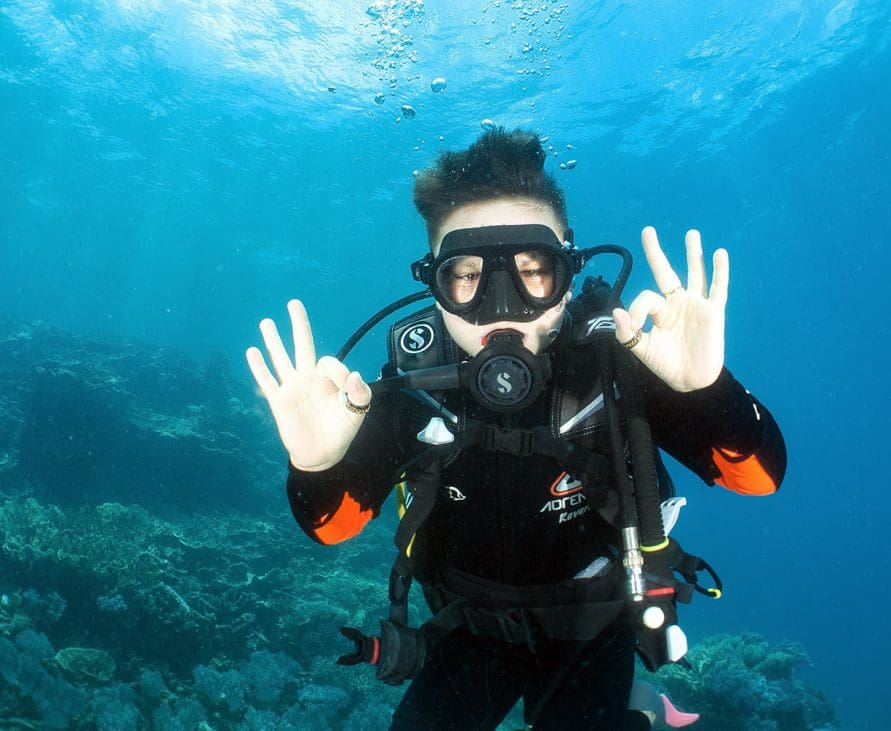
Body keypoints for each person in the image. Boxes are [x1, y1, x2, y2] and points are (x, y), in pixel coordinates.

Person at [246, 128, 786, 730]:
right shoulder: (416, 389)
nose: (501, 306)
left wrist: (709, 393)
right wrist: (315, 466)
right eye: (467, 276)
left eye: (534, 271)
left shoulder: (619, 363)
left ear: (569, 274)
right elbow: (331, 528)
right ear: (433, 284)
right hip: (467, 632)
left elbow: (758, 480)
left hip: (594, 628)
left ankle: (640, 711)